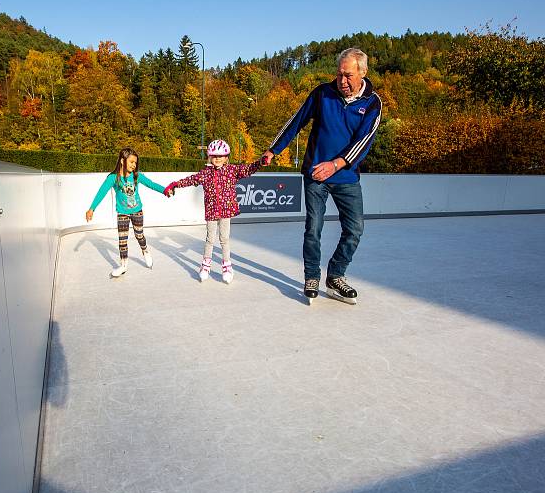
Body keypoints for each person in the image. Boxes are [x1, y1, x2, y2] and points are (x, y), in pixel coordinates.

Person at [262, 47, 382, 305]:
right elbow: (296, 121)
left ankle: (336, 276)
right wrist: (274, 149)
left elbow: (364, 141)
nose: (342, 81)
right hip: (316, 173)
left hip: (347, 177)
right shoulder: (322, 94)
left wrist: (337, 164)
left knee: (355, 229)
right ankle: (312, 276)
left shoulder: (372, 103)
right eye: (339, 75)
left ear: (362, 73)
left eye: (348, 75)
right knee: (313, 227)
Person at [164, 139, 263, 284]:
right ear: (210, 157)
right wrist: (175, 184)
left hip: (226, 210)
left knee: (224, 239)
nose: (217, 159)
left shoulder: (231, 170)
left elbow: (247, 169)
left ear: (226, 157)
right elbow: (191, 180)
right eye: (214, 156)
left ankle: (227, 266)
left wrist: (260, 162)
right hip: (211, 211)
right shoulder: (206, 173)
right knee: (210, 239)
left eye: (220, 156)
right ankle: (205, 265)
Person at [86, 147, 167, 278]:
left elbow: (151, 184)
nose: (134, 165)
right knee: (122, 240)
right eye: (131, 162)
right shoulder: (113, 178)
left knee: (139, 235)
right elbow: (101, 192)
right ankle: (123, 265)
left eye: (135, 163)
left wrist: (165, 190)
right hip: (122, 212)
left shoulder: (137, 176)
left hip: (137, 211)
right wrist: (92, 208)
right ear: (123, 161)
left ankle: (145, 251)